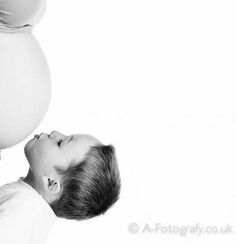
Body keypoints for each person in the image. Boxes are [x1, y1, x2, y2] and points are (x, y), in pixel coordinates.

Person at [0, 130, 121, 244]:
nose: (54, 133)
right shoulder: (30, 212)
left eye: (60, 143)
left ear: (51, 183)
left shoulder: (20, 211)